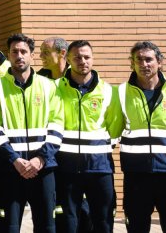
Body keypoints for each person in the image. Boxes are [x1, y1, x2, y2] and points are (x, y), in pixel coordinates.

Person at [108, 41, 166, 233]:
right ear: (132, 64)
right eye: (139, 60)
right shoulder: (119, 93)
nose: (144, 64)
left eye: (149, 59)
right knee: (136, 227)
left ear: (159, 62)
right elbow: (112, 132)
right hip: (136, 173)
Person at [0, 33, 62, 233]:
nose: (19, 55)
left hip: (43, 169)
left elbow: (57, 125)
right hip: (10, 168)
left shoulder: (48, 86)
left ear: (32, 55)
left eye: (24, 51)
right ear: (9, 55)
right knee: (8, 227)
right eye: (15, 52)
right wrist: (15, 160)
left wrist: (40, 159)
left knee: (47, 226)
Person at [54, 40, 120, 233]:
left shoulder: (108, 91)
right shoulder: (55, 88)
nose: (82, 61)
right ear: (67, 59)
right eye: (77, 57)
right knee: (67, 222)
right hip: (65, 167)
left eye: (86, 57)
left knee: (103, 220)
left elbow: (115, 128)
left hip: (99, 166)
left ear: (92, 59)